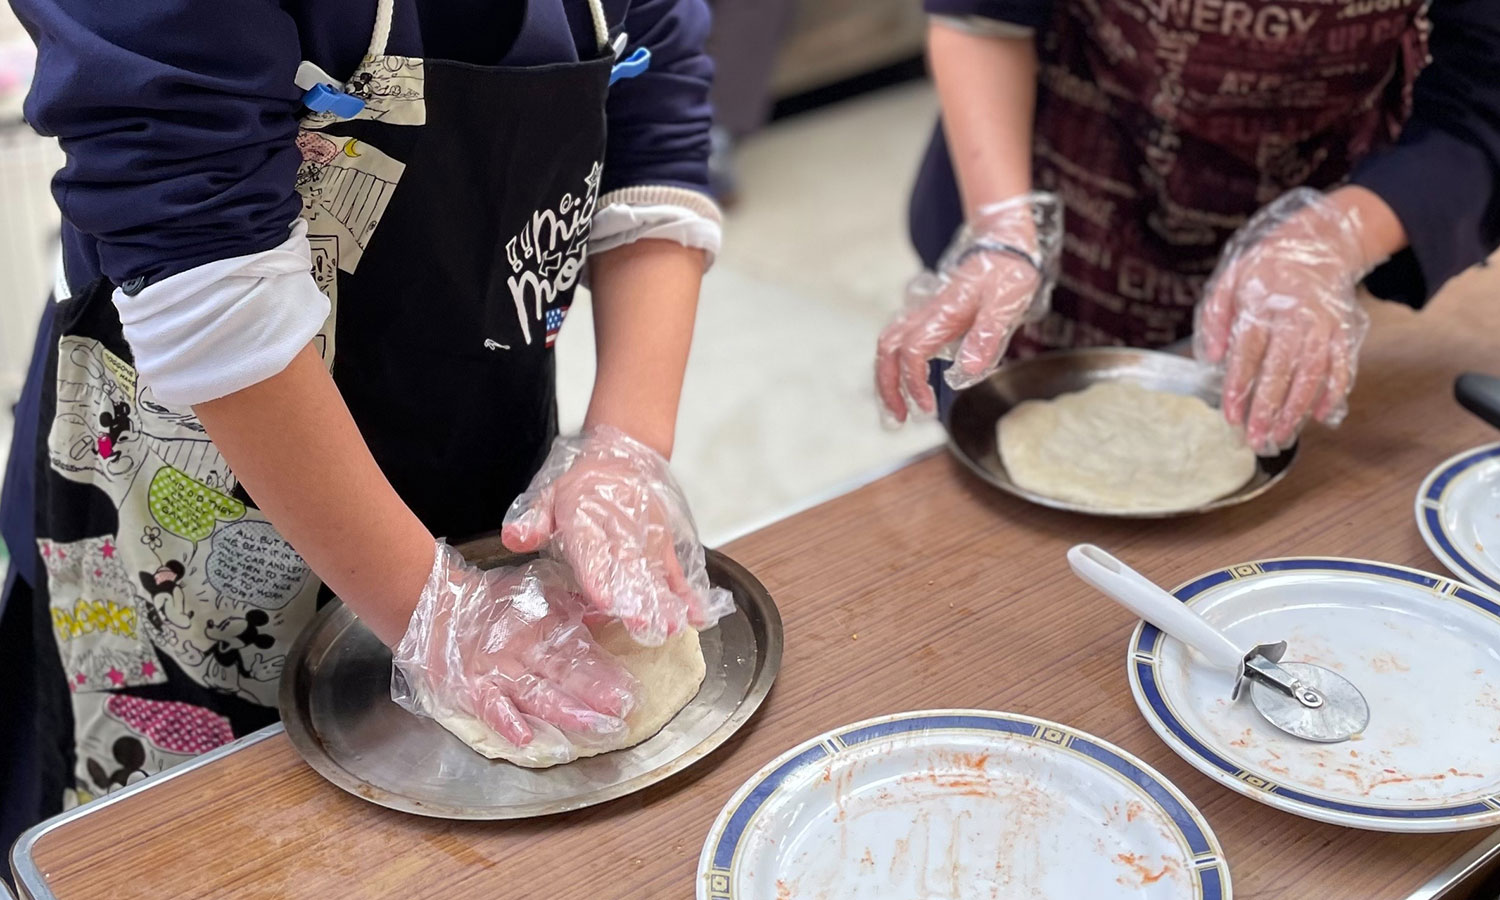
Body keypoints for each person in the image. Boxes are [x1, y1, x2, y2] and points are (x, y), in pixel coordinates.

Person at [0, 0, 732, 857]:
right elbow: (197, 251)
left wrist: (626, 446)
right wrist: (432, 611)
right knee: (221, 852)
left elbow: (655, 101)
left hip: (473, 426)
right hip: (193, 495)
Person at [877, 0, 1500, 454]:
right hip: (1057, 167)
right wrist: (1003, 225)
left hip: (1311, 223)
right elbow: (986, 18)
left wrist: (1334, 240)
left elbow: (1484, 99)